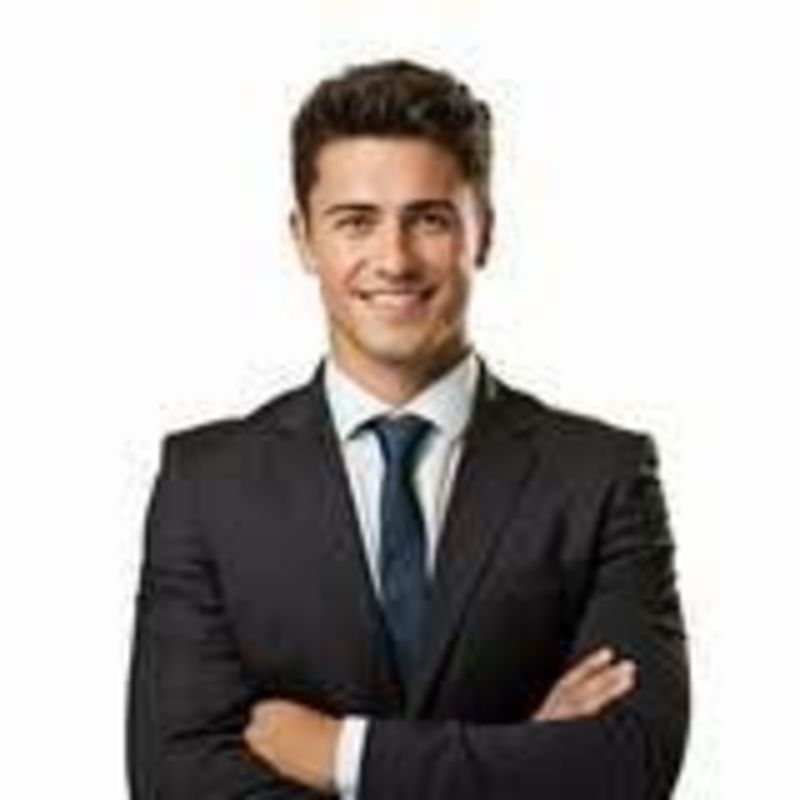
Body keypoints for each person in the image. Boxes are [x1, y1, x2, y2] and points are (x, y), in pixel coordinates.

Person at [126, 59, 690, 799]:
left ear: (483, 233)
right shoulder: (206, 483)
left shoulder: (602, 476)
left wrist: (343, 753)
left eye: (429, 219)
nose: (393, 260)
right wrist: (525, 756)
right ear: (304, 239)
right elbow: (176, 779)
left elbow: (629, 765)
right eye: (355, 222)